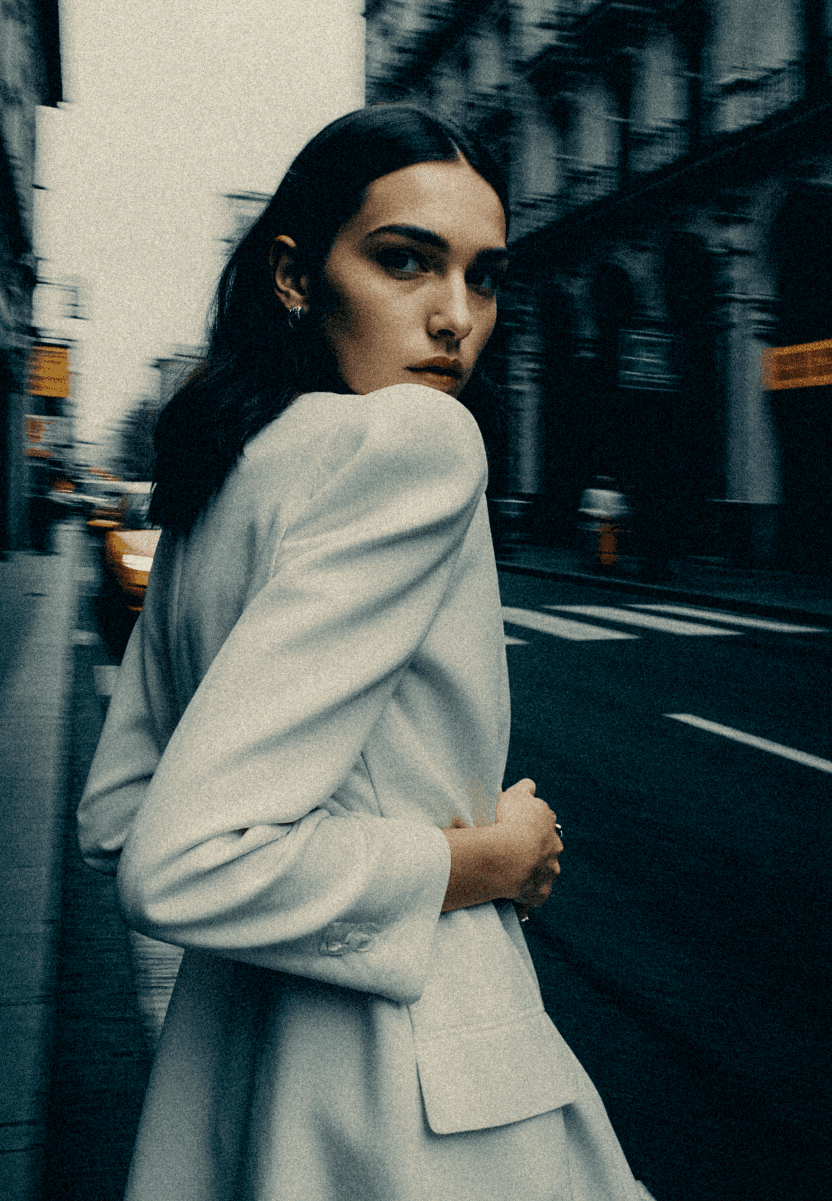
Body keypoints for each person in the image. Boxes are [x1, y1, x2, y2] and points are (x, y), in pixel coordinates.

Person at [77, 104, 649, 1201]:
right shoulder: (416, 442)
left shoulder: (214, 484)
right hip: (413, 1084)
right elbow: (181, 864)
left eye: (482, 279)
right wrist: (493, 859)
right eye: (404, 262)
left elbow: (116, 812)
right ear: (295, 276)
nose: (453, 319)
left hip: (239, 1079)